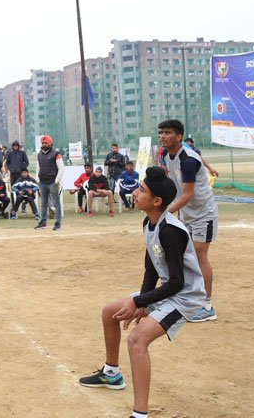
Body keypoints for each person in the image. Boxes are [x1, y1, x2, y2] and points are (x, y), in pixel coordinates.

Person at [77, 166, 205, 418]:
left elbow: (178, 283)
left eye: (142, 190)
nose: (135, 192)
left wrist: (140, 300)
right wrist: (140, 303)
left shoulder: (171, 230)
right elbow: (151, 269)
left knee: (137, 340)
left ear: (157, 201)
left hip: (185, 297)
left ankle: (140, 414)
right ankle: (111, 373)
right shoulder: (150, 222)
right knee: (109, 312)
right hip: (167, 289)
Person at [159, 119, 219, 322]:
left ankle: (207, 306)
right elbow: (174, 187)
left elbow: (188, 194)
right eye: (161, 133)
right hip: (186, 214)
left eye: (167, 133)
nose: (163, 137)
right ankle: (189, 298)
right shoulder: (167, 155)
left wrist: (165, 212)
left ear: (179, 136)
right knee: (186, 256)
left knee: (200, 257)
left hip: (203, 214)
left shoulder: (188, 160)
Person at [35, 135, 64, 231]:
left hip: (52, 182)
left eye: (46, 142)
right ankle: (43, 222)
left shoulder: (56, 154)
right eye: (43, 143)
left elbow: (61, 168)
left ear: (50, 143)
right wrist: (38, 180)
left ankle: (58, 223)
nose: (44, 144)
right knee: (43, 203)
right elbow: (38, 167)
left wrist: (57, 181)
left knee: (56, 203)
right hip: (42, 182)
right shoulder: (39, 154)